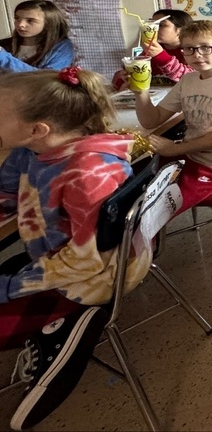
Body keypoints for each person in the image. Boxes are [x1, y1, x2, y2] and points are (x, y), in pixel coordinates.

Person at [0, 66, 148, 430]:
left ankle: (70, 323)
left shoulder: (87, 173)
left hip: (97, 275)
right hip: (64, 253)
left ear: (39, 129)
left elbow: (87, 260)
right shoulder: (30, 151)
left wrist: (9, 288)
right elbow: (8, 193)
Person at [133, 19, 212, 213]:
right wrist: (140, 90)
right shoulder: (188, 79)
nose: (197, 54)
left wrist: (176, 149)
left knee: (151, 210)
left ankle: (142, 240)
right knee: (129, 184)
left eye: (206, 48)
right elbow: (152, 119)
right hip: (190, 154)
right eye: (189, 49)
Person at [111, 8, 194, 90]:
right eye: (152, 24)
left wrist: (161, 56)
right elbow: (120, 83)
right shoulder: (149, 51)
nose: (153, 28)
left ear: (181, 30)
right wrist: (123, 79)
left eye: (161, 25)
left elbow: (191, 77)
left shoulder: (192, 51)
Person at [0, 0, 74, 73]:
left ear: (48, 23)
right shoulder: (4, 44)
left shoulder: (62, 47)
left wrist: (3, 57)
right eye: (17, 18)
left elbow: (47, 77)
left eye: (30, 20)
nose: (20, 24)